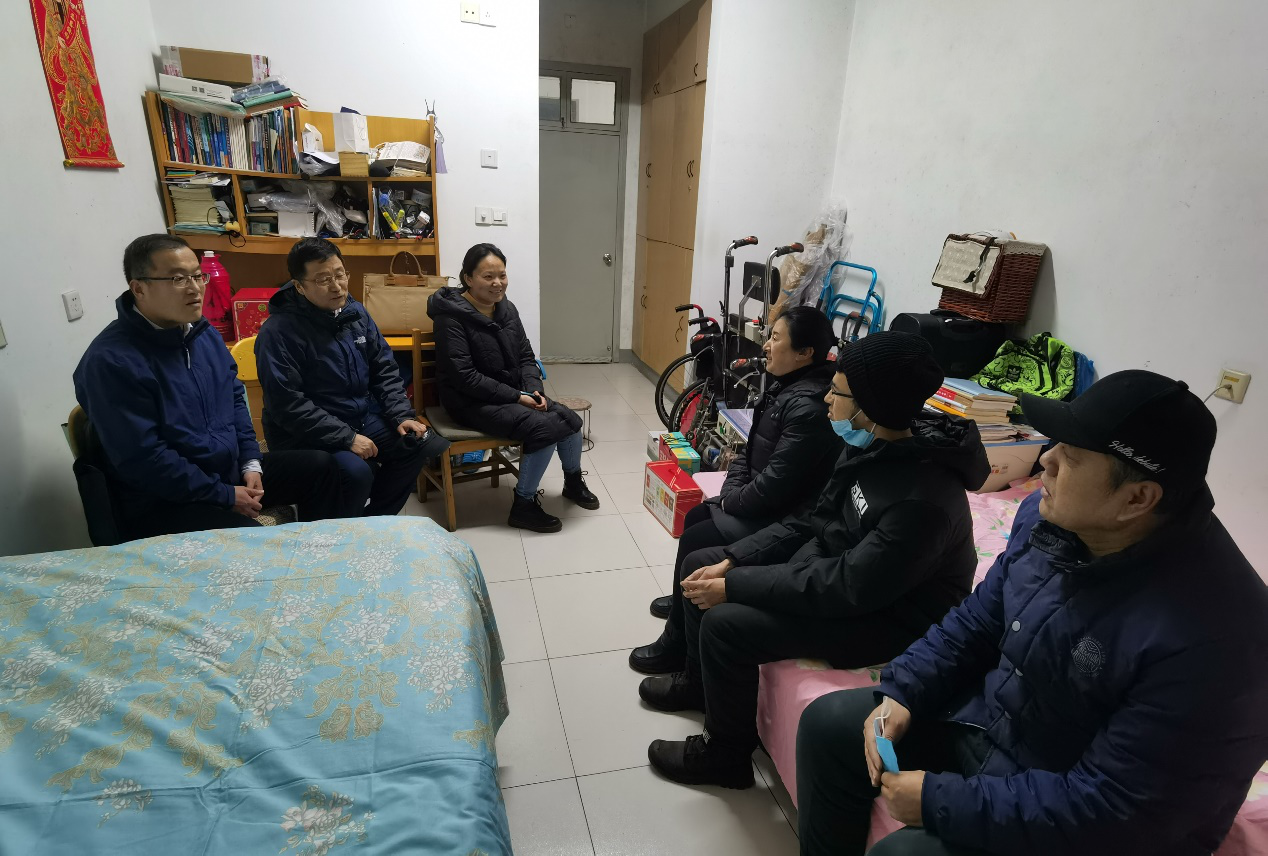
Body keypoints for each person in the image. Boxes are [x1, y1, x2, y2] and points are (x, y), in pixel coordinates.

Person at [795, 370, 1268, 856]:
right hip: (1004, 727)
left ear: (1137, 498)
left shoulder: (1218, 643)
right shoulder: (1052, 521)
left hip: (1092, 810)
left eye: (1072, 457)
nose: (1046, 460)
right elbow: (979, 620)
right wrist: (905, 690)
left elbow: (1121, 810)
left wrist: (939, 800)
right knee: (829, 725)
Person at [642, 332, 991, 790]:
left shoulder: (922, 503)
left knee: (726, 624)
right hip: (842, 575)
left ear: (870, 406)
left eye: (837, 391)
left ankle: (725, 756)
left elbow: (847, 587)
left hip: (891, 618)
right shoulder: (870, 443)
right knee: (704, 562)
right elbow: (813, 521)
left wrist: (738, 585)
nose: (826, 397)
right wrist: (733, 560)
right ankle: (698, 683)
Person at [73, 234, 348, 538]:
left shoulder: (202, 334)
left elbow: (235, 400)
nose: (195, 288)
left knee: (323, 468)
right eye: (178, 279)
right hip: (166, 499)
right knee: (253, 540)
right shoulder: (111, 362)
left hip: (223, 472)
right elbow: (145, 460)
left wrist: (251, 463)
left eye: (197, 276)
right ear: (139, 288)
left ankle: (317, 552)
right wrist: (224, 495)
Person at [631, 305, 843, 674]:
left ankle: (677, 642)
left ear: (805, 352)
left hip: (783, 515)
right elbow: (747, 452)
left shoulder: (809, 408)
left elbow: (776, 487)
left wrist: (732, 500)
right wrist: (731, 492)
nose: (766, 345)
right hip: (760, 500)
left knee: (698, 536)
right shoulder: (784, 386)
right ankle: (683, 601)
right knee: (697, 516)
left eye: (775, 338)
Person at [255, 238, 450, 517]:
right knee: (356, 472)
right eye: (323, 280)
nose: (336, 286)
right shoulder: (279, 332)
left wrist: (400, 415)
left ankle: (373, 522)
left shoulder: (355, 312)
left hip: (357, 417)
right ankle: (335, 525)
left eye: (340, 274)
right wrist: (347, 438)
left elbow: (384, 368)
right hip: (304, 434)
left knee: (418, 442)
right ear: (299, 286)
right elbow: (287, 405)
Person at [427, 243, 598, 533]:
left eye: (502, 275)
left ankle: (572, 483)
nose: (498, 283)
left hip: (512, 394)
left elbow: (526, 357)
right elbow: (465, 377)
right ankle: (523, 506)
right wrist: (518, 396)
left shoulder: (507, 309)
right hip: (469, 402)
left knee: (570, 420)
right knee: (543, 429)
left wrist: (534, 390)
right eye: (488, 277)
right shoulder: (450, 318)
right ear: (468, 278)